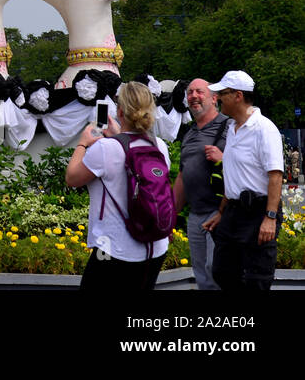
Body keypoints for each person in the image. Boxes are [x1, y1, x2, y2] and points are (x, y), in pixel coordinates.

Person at [66, 81, 171, 290]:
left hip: (113, 248)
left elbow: (72, 178)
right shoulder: (159, 146)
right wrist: (118, 134)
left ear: (120, 111)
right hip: (155, 249)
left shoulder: (105, 148)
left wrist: (83, 143)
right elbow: (127, 153)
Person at [202, 70, 284, 291]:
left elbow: (275, 175)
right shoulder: (232, 129)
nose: (218, 98)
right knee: (222, 271)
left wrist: (270, 217)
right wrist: (221, 212)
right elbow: (234, 176)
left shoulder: (264, 129)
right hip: (234, 212)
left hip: (257, 212)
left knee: (256, 279)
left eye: (223, 93)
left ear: (238, 95)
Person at [171, 79, 229, 289]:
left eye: (199, 92)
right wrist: (171, 218)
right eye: (190, 92)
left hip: (220, 213)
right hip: (196, 215)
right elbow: (183, 176)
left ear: (214, 98)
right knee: (202, 275)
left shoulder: (229, 127)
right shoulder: (189, 133)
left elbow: (245, 167)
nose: (194, 96)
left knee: (218, 271)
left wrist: (223, 158)